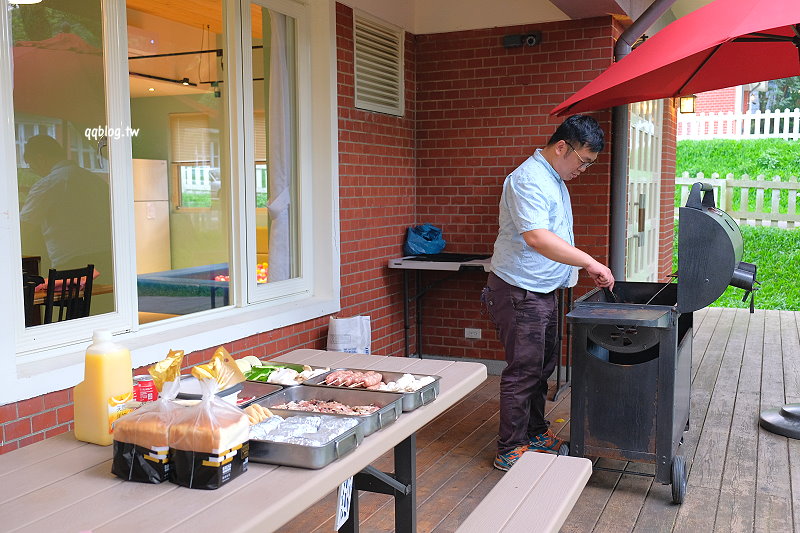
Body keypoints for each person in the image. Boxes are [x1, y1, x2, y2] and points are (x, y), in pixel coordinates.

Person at [483, 115, 615, 471]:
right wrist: (590, 262)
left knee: (541, 368)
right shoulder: (527, 179)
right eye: (583, 161)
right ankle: (509, 448)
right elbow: (537, 237)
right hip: (518, 290)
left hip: (542, 290)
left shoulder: (553, 177)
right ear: (562, 147)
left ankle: (535, 433)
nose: (583, 169)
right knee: (523, 371)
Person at [19, 134, 113, 287]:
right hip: (106, 256)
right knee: (102, 305)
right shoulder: (94, 180)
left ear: (40, 158)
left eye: (31, 164)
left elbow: (25, 226)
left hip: (72, 261)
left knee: (72, 308)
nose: (32, 170)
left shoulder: (49, 183)